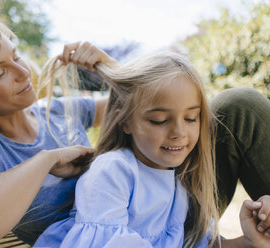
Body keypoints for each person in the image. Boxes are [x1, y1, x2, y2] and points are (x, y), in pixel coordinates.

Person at [0, 14, 270, 248]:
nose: (22, 72)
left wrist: (109, 67)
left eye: (16, 56)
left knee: (240, 106)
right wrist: (47, 160)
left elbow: (154, 112)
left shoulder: (59, 110)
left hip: (164, 212)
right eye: (0, 72)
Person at [33, 52, 270, 248]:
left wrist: (248, 241)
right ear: (125, 122)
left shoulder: (181, 179)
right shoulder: (113, 171)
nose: (179, 132)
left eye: (191, 118)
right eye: (159, 120)